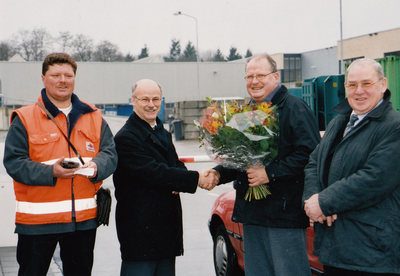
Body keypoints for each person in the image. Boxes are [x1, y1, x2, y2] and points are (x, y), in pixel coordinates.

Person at [3, 52, 117, 276]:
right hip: (38, 222)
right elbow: (14, 163)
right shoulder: (25, 118)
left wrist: (96, 167)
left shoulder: (93, 116)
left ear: (74, 78)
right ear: (43, 79)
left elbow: (110, 153)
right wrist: (50, 172)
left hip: (83, 221)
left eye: (68, 75)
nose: (62, 80)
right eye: (55, 75)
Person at [207, 53, 320, 276]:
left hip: (284, 217)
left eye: (260, 75)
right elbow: (239, 156)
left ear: (275, 77)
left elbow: (310, 154)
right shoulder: (246, 112)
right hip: (252, 215)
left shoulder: (295, 108)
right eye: (249, 76)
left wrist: (269, 174)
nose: (254, 81)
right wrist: (219, 173)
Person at [303, 58, 400, 275]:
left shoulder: (394, 127)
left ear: (383, 85)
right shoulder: (339, 122)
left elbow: (374, 179)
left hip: (372, 254)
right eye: (352, 85)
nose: (359, 91)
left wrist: (325, 202)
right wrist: (313, 199)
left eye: (367, 84)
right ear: (345, 87)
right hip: (336, 247)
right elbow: (314, 163)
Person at [113, 79, 219, 276]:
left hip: (165, 228)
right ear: (133, 101)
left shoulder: (162, 131)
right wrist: (195, 179)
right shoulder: (126, 138)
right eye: (145, 99)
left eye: (156, 99)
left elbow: (174, 164)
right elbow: (154, 172)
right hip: (140, 232)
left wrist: (182, 177)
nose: (151, 104)